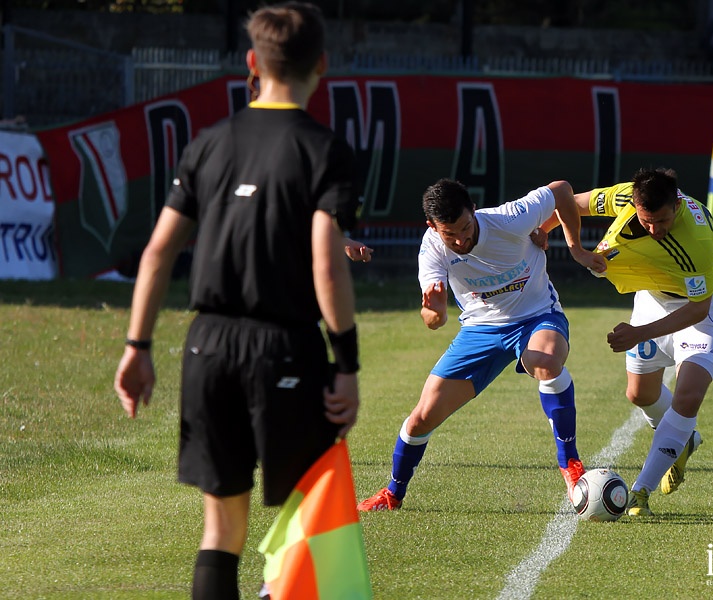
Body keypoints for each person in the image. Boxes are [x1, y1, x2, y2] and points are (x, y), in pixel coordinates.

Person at [113, 4, 364, 599]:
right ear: (321, 66)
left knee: (220, 528)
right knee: (309, 519)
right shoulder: (325, 150)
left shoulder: (209, 143)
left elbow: (155, 254)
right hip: (287, 350)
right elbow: (326, 262)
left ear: (252, 63)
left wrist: (137, 346)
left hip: (208, 346)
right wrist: (347, 365)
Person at [356, 178, 606, 512]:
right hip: (479, 331)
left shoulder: (508, 218)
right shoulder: (432, 249)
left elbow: (562, 191)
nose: (461, 239)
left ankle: (571, 464)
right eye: (450, 234)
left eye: (465, 227)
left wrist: (574, 246)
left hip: (537, 317)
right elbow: (433, 320)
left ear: (474, 210)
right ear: (432, 227)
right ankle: (393, 494)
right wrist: (434, 310)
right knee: (421, 418)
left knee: (544, 361)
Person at [535, 167, 713, 517]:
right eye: (646, 221)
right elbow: (574, 204)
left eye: (661, 221)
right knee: (639, 394)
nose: (654, 229)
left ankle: (641, 492)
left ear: (677, 206)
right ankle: (682, 438)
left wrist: (640, 333)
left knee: (688, 394)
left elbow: (697, 308)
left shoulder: (696, 240)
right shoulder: (627, 195)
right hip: (654, 294)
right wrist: (545, 230)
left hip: (705, 306)